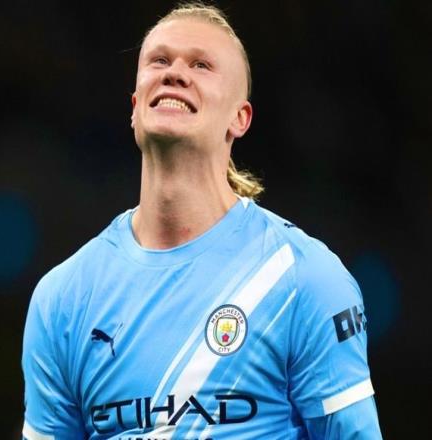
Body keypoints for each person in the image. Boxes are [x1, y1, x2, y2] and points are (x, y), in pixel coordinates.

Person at [22, 2, 382, 439]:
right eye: (159, 61)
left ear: (239, 118)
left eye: (201, 65)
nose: (174, 73)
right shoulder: (63, 298)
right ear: (135, 107)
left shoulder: (302, 278)